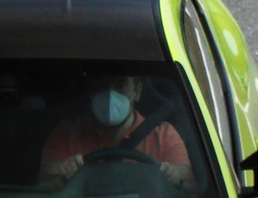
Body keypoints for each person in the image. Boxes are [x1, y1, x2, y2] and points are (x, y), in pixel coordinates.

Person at [39, 73, 193, 190]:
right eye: (101, 86)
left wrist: (174, 177)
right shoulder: (67, 133)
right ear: (90, 92)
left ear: (137, 92)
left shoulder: (163, 135)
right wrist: (64, 176)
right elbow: (43, 189)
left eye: (121, 86)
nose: (110, 95)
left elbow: (190, 185)